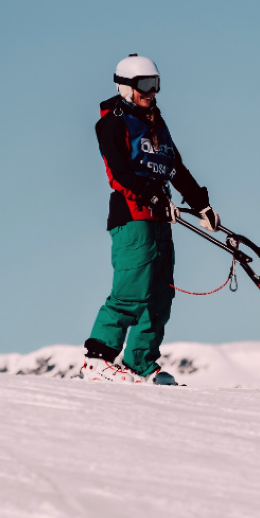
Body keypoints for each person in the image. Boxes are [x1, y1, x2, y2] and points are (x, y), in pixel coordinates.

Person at [82, 54, 221, 385]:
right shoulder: (113, 122)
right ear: (126, 87)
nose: (152, 92)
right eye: (145, 85)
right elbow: (119, 174)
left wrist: (201, 204)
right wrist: (153, 196)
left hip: (160, 217)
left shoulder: (157, 123)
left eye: (155, 84)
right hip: (133, 215)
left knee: (161, 292)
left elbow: (176, 168)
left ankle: (139, 361)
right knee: (133, 290)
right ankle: (97, 359)